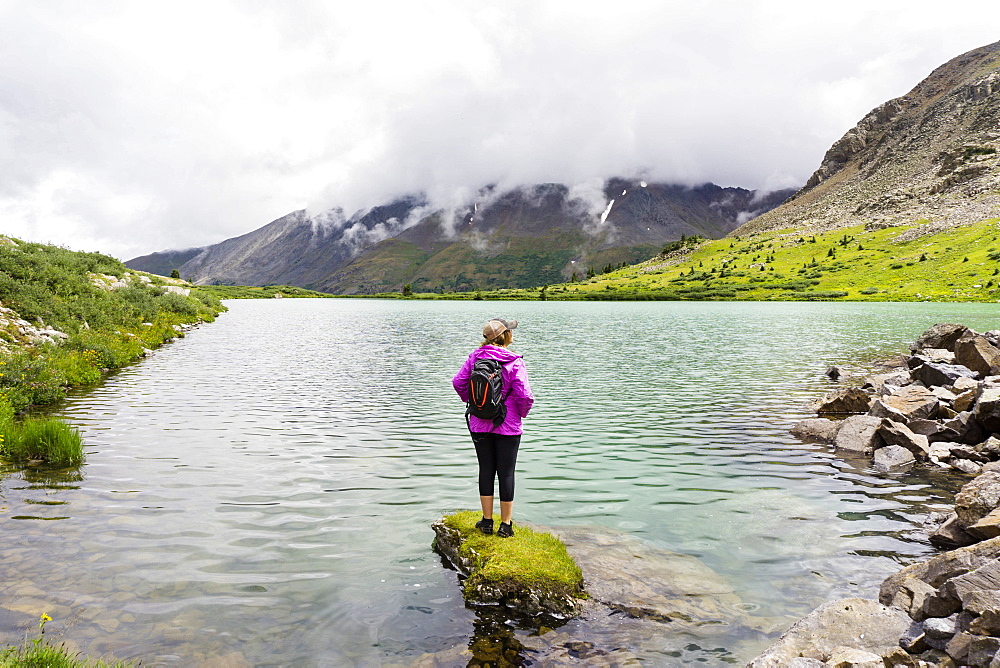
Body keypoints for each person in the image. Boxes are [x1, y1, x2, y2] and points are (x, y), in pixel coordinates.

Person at [452, 318, 534, 538]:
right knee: (506, 473)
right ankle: (505, 525)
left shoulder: (474, 357)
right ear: (506, 336)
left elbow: (458, 382)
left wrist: (476, 403)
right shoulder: (514, 361)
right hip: (508, 425)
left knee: (486, 469)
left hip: (479, 423)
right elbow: (524, 395)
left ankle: (487, 521)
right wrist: (520, 414)